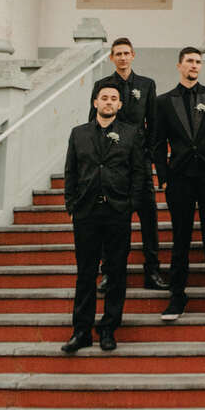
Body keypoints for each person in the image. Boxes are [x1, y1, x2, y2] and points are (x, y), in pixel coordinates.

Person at [151, 47, 205, 325]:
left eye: (198, 62)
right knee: (180, 239)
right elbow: (157, 142)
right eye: (190, 61)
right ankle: (177, 296)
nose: (195, 66)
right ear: (179, 66)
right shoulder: (164, 101)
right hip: (180, 177)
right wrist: (162, 176)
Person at [61, 84, 145, 353]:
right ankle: (81, 331)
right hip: (86, 213)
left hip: (117, 212)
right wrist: (71, 203)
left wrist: (130, 204)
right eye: (104, 98)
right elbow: (71, 172)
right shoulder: (78, 134)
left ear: (120, 105)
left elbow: (138, 173)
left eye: (114, 99)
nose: (109, 102)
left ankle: (108, 328)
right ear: (95, 102)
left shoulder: (130, 134)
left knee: (116, 273)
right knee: (85, 274)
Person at [89, 36, 168, 291]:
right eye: (118, 54)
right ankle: (109, 272)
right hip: (110, 163)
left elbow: (155, 126)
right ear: (112, 58)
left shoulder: (146, 85)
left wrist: (151, 160)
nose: (123, 58)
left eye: (126, 53)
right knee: (109, 219)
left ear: (133, 55)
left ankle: (152, 271)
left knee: (149, 218)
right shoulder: (102, 86)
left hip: (139, 162)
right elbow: (93, 125)